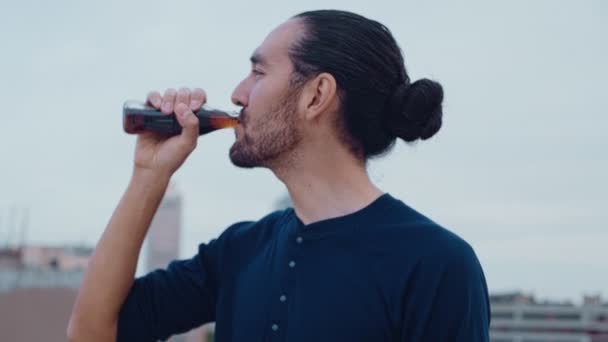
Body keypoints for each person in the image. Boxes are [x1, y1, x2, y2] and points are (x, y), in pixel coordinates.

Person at [68, 9, 490, 342]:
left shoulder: (436, 264)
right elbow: (91, 333)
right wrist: (149, 173)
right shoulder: (240, 250)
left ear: (316, 95)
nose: (236, 93)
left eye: (258, 72)